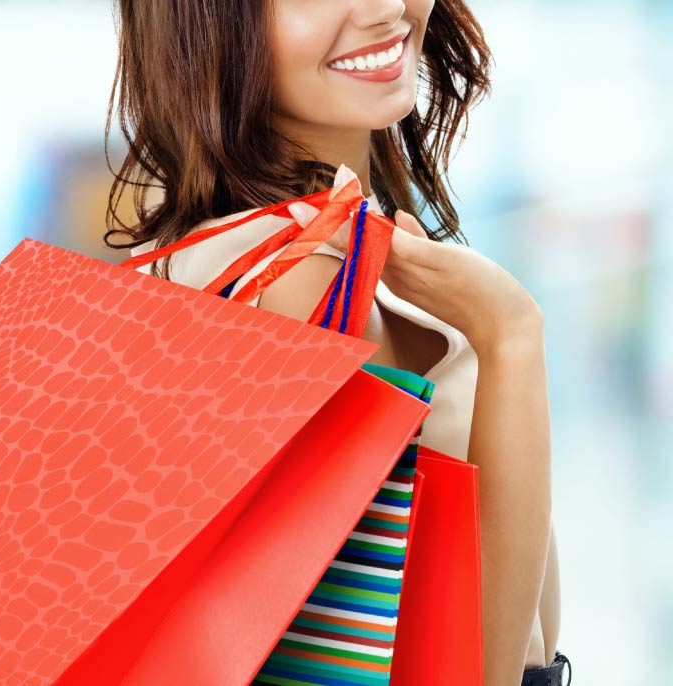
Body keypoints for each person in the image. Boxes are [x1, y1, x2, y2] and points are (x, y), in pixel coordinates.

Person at [104, 1, 569, 684]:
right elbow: (472, 672)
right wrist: (509, 336)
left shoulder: (193, 261)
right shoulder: (302, 283)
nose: (384, 7)